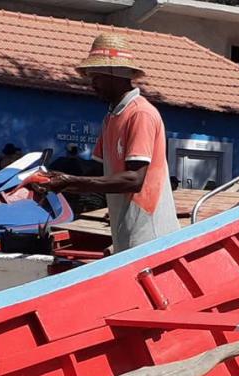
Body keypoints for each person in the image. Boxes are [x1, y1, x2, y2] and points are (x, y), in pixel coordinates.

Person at [29, 34, 179, 252]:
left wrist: (69, 180)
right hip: (124, 226)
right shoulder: (111, 117)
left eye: (96, 77)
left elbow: (133, 180)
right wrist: (55, 179)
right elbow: (99, 172)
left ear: (114, 75)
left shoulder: (141, 114)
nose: (92, 85)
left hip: (149, 231)